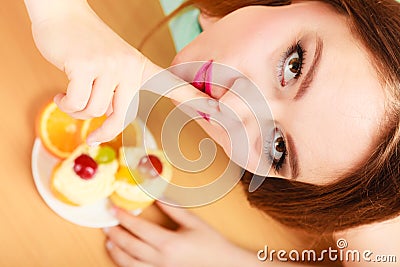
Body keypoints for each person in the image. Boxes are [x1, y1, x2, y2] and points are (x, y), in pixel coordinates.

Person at [23, 0, 400, 266]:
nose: (233, 107)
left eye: (278, 147)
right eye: (294, 64)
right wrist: (60, 13)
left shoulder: (367, 166)